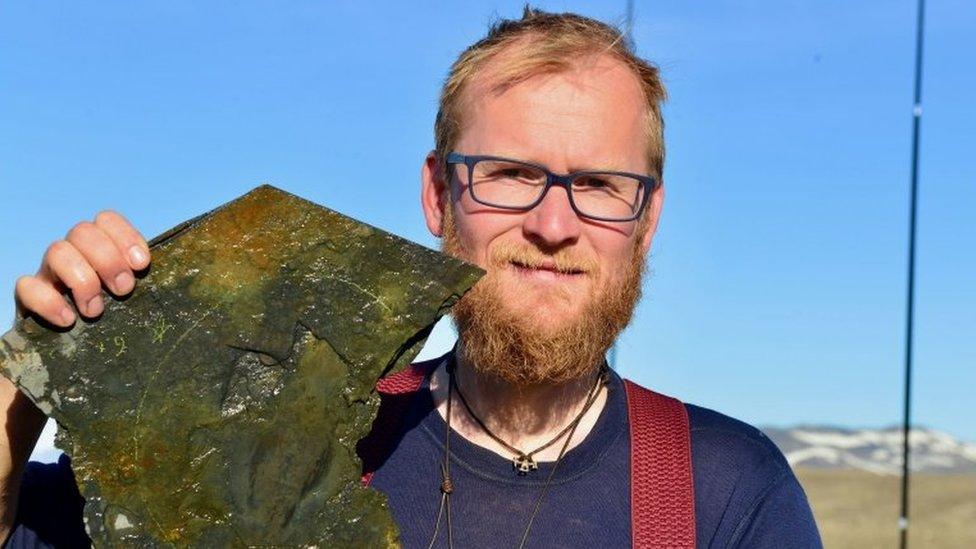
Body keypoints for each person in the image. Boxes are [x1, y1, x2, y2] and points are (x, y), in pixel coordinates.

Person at [0, 7, 822, 548]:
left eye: (601, 185)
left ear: (647, 219)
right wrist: (34, 374)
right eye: (509, 173)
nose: (554, 223)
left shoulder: (725, 495)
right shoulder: (266, 430)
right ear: (438, 194)